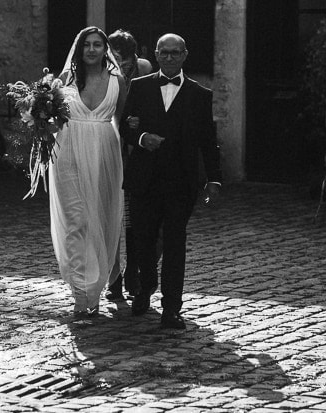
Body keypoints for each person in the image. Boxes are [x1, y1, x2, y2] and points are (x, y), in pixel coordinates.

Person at [120, 33, 222, 329]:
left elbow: (208, 142)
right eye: (163, 53)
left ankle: (171, 308)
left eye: (175, 53)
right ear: (155, 54)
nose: (169, 58)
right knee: (143, 240)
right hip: (144, 179)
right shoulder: (139, 87)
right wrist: (141, 137)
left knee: (175, 243)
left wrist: (214, 180)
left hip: (181, 182)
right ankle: (145, 287)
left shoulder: (200, 94)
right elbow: (124, 129)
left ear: (185, 55)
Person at [50, 26, 128, 318]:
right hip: (68, 153)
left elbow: (122, 122)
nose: (92, 50)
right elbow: (51, 121)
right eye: (87, 45)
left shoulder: (117, 81)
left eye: (97, 45)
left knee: (99, 219)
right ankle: (80, 293)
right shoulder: (66, 80)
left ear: (104, 49)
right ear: (79, 49)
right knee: (77, 219)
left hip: (104, 155)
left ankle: (95, 288)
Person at [105, 29, 155, 302]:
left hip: (135, 148)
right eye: (114, 58)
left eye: (124, 60)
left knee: (135, 216)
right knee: (113, 214)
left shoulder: (145, 68)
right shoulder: (103, 71)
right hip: (111, 145)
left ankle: (133, 270)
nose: (120, 65)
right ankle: (113, 277)